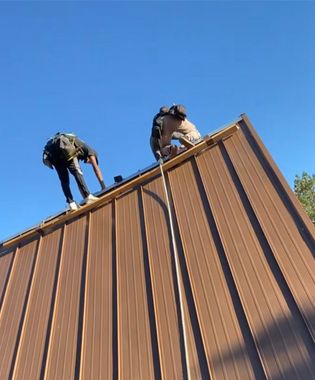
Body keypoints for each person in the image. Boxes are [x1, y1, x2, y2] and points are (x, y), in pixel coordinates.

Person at [43, 133, 106, 211]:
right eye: (90, 162)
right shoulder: (91, 151)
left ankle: (71, 203)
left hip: (53, 154)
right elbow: (96, 168)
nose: (88, 163)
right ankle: (88, 197)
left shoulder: (79, 148)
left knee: (64, 180)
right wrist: (103, 187)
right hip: (66, 151)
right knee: (77, 172)